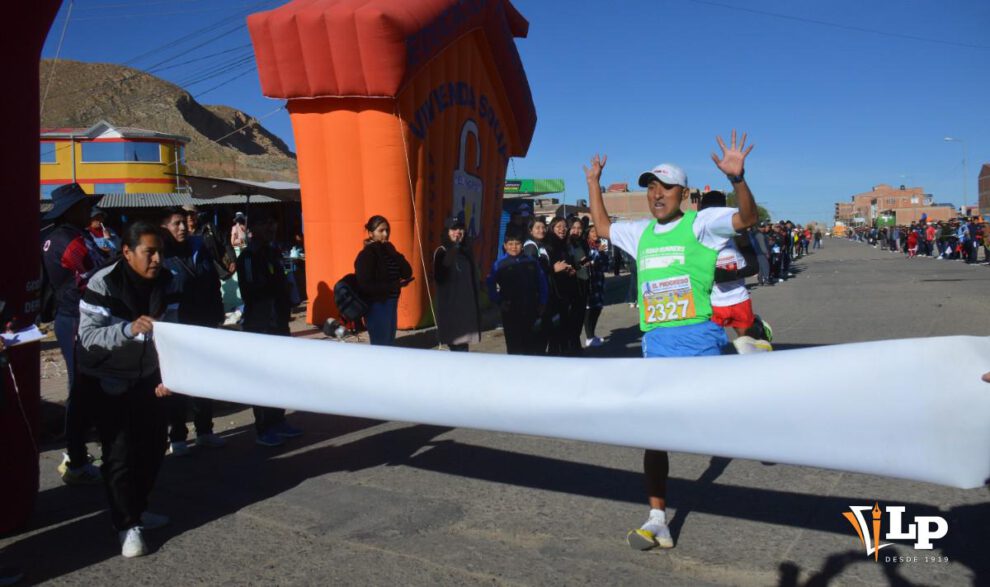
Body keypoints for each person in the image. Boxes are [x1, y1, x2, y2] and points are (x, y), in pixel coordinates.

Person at [585, 130, 759, 551]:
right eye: (650, 187)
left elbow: (747, 219)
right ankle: (657, 518)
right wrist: (593, 183)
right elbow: (604, 226)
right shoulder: (640, 233)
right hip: (657, 349)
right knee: (655, 437)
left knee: (719, 423)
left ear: (683, 193)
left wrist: (738, 180)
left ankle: (752, 362)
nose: (656, 194)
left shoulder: (700, 223)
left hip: (700, 345)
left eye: (664, 187)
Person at [76, 221, 177, 558]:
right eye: (150, 252)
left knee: (153, 447)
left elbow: (175, 335)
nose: (157, 259)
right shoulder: (102, 283)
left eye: (160, 252)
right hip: (108, 379)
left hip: (150, 377)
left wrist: (170, 376)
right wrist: (127, 329)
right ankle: (125, 525)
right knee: (119, 455)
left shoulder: (169, 281)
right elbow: (88, 339)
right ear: (127, 252)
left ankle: (139, 508)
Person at [41, 183, 112, 485]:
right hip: (76, 320)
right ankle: (76, 458)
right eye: (85, 207)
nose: (90, 211)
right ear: (71, 210)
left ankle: (81, 452)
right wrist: (117, 263)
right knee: (80, 390)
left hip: (75, 318)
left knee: (86, 388)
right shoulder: (68, 242)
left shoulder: (64, 237)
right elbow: (89, 278)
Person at [159, 208, 226, 456]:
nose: (183, 228)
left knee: (203, 381)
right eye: (176, 224)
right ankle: (177, 436)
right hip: (177, 329)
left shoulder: (200, 247)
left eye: (184, 223)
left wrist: (217, 314)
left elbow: (212, 282)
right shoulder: (161, 255)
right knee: (176, 383)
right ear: (164, 227)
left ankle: (205, 431)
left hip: (204, 324)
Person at [236, 212, 304, 447]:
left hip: (279, 322)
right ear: (253, 228)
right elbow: (251, 290)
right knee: (262, 377)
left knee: (279, 375)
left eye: (272, 221)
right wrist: (276, 285)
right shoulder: (248, 257)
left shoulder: (272, 252)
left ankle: (278, 420)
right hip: (260, 324)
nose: (271, 226)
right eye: (265, 222)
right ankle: (263, 427)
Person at [486, 231, 548, 355]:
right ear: (505, 246)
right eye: (510, 244)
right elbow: (490, 284)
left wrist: (542, 302)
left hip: (531, 308)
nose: (514, 247)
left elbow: (542, 283)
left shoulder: (532, 262)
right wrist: (499, 301)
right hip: (510, 310)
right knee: (514, 345)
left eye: (517, 244)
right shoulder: (499, 264)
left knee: (532, 344)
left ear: (522, 245)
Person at [354, 215, 413, 346]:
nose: (385, 234)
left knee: (389, 343)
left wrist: (394, 254)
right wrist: (392, 286)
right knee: (382, 345)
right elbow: (364, 285)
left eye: (387, 230)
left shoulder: (389, 251)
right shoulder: (367, 255)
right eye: (381, 231)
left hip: (391, 302)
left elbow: (407, 272)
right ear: (370, 233)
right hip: (377, 305)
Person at [433, 216, 482, 351]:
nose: (458, 232)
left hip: (466, 308)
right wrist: (453, 250)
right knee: (456, 346)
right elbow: (439, 277)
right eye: (453, 229)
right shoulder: (441, 252)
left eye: (461, 229)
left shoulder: (466, 252)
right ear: (447, 232)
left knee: (463, 347)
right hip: (451, 309)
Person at [583, 224, 609, 347]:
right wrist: (597, 253)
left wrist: (603, 254)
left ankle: (592, 335)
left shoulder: (600, 245)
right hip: (589, 282)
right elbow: (587, 262)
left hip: (599, 281)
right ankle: (588, 337)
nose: (595, 234)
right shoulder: (585, 246)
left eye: (597, 232)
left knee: (597, 308)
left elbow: (605, 267)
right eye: (592, 231)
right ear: (588, 233)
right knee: (589, 309)